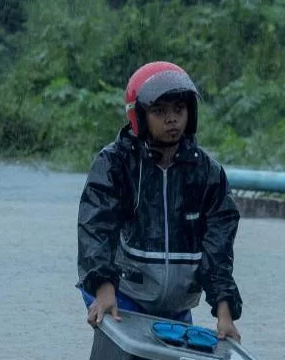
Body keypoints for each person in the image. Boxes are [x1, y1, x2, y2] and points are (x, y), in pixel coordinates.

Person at [77, 61, 243, 341]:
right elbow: (95, 229)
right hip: (121, 295)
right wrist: (105, 290)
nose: (171, 119)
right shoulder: (114, 164)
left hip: (176, 307)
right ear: (139, 115)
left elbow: (219, 251)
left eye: (179, 109)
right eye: (160, 111)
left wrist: (225, 315)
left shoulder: (208, 175)